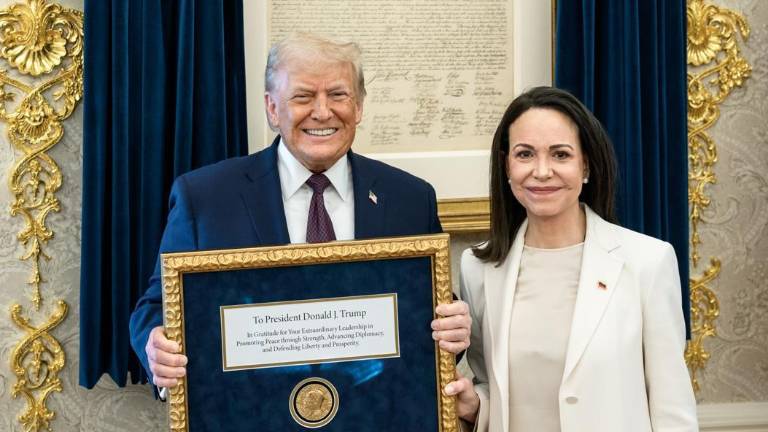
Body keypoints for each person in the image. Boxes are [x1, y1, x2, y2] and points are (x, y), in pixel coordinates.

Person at [128, 33, 470, 394]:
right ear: (272, 108)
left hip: (376, 408)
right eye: (303, 97)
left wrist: (454, 330)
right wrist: (156, 346)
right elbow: (158, 306)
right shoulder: (205, 198)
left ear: (358, 106)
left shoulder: (410, 199)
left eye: (338, 95)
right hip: (250, 409)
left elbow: (431, 312)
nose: (322, 112)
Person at [445, 87, 698, 431]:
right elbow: (492, 385)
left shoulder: (648, 262)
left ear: (586, 165)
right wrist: (476, 405)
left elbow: (673, 409)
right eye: (525, 154)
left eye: (561, 155)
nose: (542, 171)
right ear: (506, 165)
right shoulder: (477, 267)